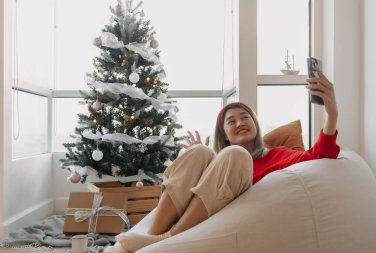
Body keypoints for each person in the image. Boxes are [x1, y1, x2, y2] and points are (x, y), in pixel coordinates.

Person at [105, 67, 340, 253]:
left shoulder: (277, 155)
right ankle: (153, 238)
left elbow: (319, 156)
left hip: (223, 217)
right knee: (199, 151)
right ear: (224, 135)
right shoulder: (213, 159)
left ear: (256, 126)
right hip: (195, 208)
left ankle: (169, 239)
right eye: (231, 121)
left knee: (235, 155)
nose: (240, 123)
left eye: (245, 117)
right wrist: (195, 160)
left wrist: (332, 113)